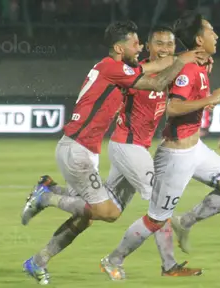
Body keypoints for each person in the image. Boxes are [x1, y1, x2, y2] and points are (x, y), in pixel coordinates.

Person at [20, 20, 205, 285]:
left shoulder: (116, 68)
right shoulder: (114, 69)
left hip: (87, 150)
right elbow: (156, 80)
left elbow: (151, 68)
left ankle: (37, 261)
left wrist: (183, 59)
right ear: (120, 47)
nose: (139, 46)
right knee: (113, 210)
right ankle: (47, 196)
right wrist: (182, 59)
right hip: (79, 149)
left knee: (89, 217)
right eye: (135, 42)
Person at [100, 11, 220, 281]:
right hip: (176, 154)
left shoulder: (201, 63)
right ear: (199, 40)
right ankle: (114, 258)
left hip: (197, 149)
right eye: (211, 31)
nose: (216, 35)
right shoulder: (188, 69)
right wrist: (210, 99)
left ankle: (185, 222)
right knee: (155, 218)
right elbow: (172, 107)